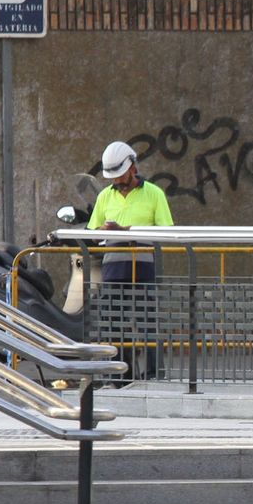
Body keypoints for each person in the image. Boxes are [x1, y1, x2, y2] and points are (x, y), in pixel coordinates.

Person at [87, 141, 173, 379]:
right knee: (114, 324)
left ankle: (155, 374)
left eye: (119, 174)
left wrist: (128, 230)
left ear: (133, 167)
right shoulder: (105, 196)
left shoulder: (154, 193)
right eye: (112, 176)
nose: (115, 180)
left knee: (147, 325)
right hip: (113, 268)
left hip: (143, 266)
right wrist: (103, 231)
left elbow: (166, 231)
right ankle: (119, 375)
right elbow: (91, 233)